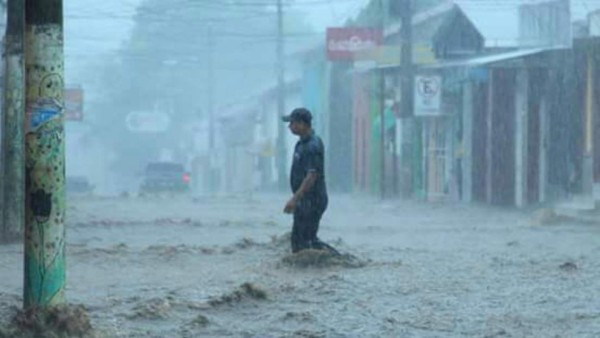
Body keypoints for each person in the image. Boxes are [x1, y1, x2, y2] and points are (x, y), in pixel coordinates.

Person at [282, 108, 338, 254]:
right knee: (301, 241)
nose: (289, 127)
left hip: (312, 201)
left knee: (304, 242)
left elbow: (311, 176)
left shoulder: (313, 145)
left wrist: (294, 199)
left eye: (292, 123)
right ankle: (319, 263)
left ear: (301, 124)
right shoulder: (301, 144)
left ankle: (334, 258)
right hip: (305, 201)